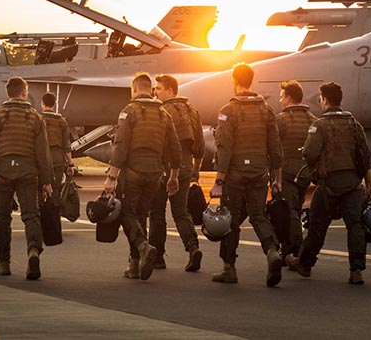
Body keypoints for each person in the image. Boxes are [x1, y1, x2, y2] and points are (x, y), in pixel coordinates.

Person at [285, 82, 371, 285]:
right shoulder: (353, 123)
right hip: (353, 185)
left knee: (317, 226)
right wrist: (369, 185)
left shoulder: (320, 125)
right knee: (355, 226)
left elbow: (309, 153)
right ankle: (356, 271)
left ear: (324, 100)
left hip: (329, 185)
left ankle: (305, 264)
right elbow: (365, 155)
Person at [0, 77, 53, 280]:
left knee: (2, 218)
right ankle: (33, 251)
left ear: (8, 93)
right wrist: (47, 181)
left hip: (4, 171)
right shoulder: (35, 117)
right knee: (31, 215)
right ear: (25, 93)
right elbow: (43, 152)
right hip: (28, 171)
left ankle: (3, 262)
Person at [210, 62, 284, 287]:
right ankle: (272, 251)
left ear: (234, 81)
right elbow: (275, 147)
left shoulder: (228, 111)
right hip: (260, 173)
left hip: (235, 174)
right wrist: (277, 179)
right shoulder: (266, 110)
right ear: (251, 81)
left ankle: (229, 268)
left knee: (230, 220)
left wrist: (219, 180)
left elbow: (224, 148)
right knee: (258, 215)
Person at [104, 72, 181, 281]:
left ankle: (142, 247)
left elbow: (120, 147)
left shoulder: (129, 112)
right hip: (155, 175)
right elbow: (175, 147)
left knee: (128, 214)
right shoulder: (164, 114)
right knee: (141, 216)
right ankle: (135, 264)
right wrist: (174, 176)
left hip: (133, 173)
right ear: (151, 90)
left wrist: (112, 177)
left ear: (135, 89)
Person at [150, 74, 204, 271]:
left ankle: (157, 257)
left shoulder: (161, 111)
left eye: (159, 88)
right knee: (181, 212)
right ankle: (192, 248)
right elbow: (200, 145)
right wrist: (195, 170)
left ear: (170, 90)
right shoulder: (193, 110)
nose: (155, 92)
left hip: (165, 169)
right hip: (186, 168)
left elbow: (157, 142)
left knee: (156, 212)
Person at [276, 80, 317, 260]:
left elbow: (273, 147)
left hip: (286, 172)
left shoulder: (281, 120)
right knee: (296, 208)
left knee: (289, 210)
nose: (280, 101)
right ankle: (287, 249)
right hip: (305, 173)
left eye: (282, 97)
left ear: (289, 98)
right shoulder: (313, 120)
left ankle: (295, 249)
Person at [40, 92, 75, 203]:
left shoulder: (37, 119)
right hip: (58, 160)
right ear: (54, 104)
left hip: (41, 160)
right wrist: (70, 164)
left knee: (39, 192)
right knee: (55, 192)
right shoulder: (61, 121)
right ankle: (54, 215)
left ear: (42, 103)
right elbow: (66, 145)